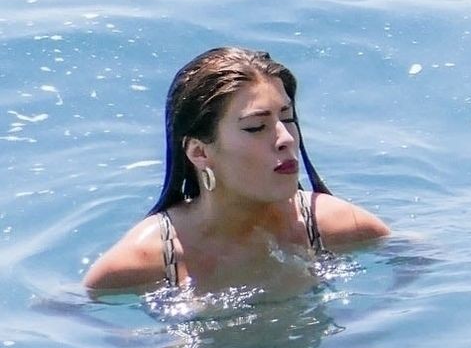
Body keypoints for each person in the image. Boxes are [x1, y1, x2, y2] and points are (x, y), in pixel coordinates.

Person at [84, 47, 390, 295]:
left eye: (287, 118)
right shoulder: (144, 261)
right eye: (256, 127)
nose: (285, 138)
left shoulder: (333, 227)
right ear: (199, 152)